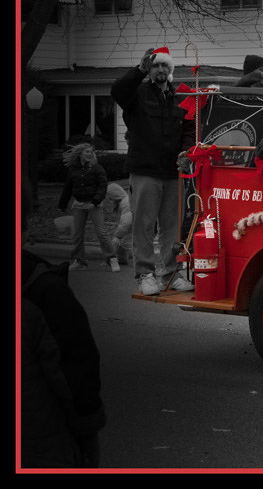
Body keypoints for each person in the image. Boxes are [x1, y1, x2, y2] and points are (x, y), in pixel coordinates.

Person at [21, 184, 106, 468]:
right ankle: (83, 256)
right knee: (80, 235)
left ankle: (106, 256)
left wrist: (92, 198)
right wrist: (87, 434)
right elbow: (77, 369)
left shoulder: (41, 290)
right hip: (39, 447)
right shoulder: (43, 292)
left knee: (96, 232)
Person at [110, 46, 195, 296]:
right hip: (145, 170)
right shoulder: (137, 92)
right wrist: (138, 70)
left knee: (171, 226)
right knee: (143, 225)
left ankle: (170, 274)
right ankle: (145, 274)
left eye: (163, 66)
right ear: (149, 69)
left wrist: (187, 152)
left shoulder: (180, 96)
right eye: (155, 65)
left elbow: (189, 129)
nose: (160, 70)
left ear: (169, 70)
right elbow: (117, 91)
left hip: (172, 172)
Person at [57, 143, 117, 273]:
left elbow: (103, 186)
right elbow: (68, 188)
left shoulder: (97, 168)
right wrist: (62, 205)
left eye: (91, 152)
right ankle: (79, 261)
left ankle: (111, 259)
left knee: (101, 232)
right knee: (77, 234)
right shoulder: (73, 169)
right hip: (79, 204)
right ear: (80, 154)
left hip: (94, 204)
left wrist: (95, 201)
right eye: (87, 152)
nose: (90, 154)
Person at [103, 182, 133, 266]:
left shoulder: (126, 202)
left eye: (110, 198)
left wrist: (118, 235)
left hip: (133, 226)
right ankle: (122, 260)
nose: (109, 200)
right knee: (123, 243)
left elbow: (126, 222)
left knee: (120, 241)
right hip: (136, 225)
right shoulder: (125, 200)